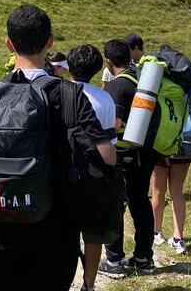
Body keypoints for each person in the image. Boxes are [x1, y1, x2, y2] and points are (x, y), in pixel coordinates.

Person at [0, 5, 116, 291]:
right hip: (54, 236)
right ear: (50, 41)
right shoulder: (69, 95)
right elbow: (107, 158)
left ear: (9, 44)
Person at [98, 40, 157, 278]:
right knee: (140, 203)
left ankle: (114, 261)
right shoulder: (140, 81)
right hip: (145, 153)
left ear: (108, 61)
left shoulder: (117, 86)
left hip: (123, 155)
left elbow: (115, 124)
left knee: (115, 204)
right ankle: (144, 258)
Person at [67, 44, 118, 291]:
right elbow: (111, 142)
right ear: (98, 68)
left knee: (65, 231)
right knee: (93, 234)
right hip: (94, 174)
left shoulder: (60, 92)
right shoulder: (105, 98)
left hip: (65, 172)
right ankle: (89, 284)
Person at [151, 87, 191, 254]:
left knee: (157, 192)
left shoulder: (159, 86)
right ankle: (177, 238)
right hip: (185, 146)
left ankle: (156, 232)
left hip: (160, 143)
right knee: (177, 191)